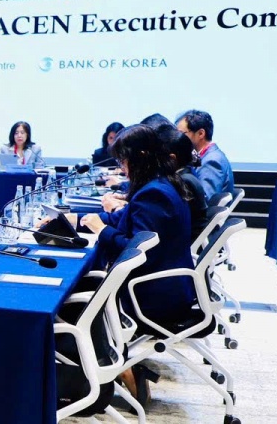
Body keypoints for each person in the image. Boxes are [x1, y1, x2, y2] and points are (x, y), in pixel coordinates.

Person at [77, 124, 197, 405]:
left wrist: (101, 231)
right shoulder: (158, 185)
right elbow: (123, 222)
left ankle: (107, 375)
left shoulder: (154, 193)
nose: (122, 168)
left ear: (141, 156)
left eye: (124, 160)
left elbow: (136, 251)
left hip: (153, 293)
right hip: (162, 284)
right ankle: (111, 369)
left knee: (82, 296)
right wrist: (75, 220)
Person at [176, 109, 234, 199]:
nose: (178, 138)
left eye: (181, 134)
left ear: (200, 133)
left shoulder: (212, 161)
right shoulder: (203, 156)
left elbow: (204, 199)